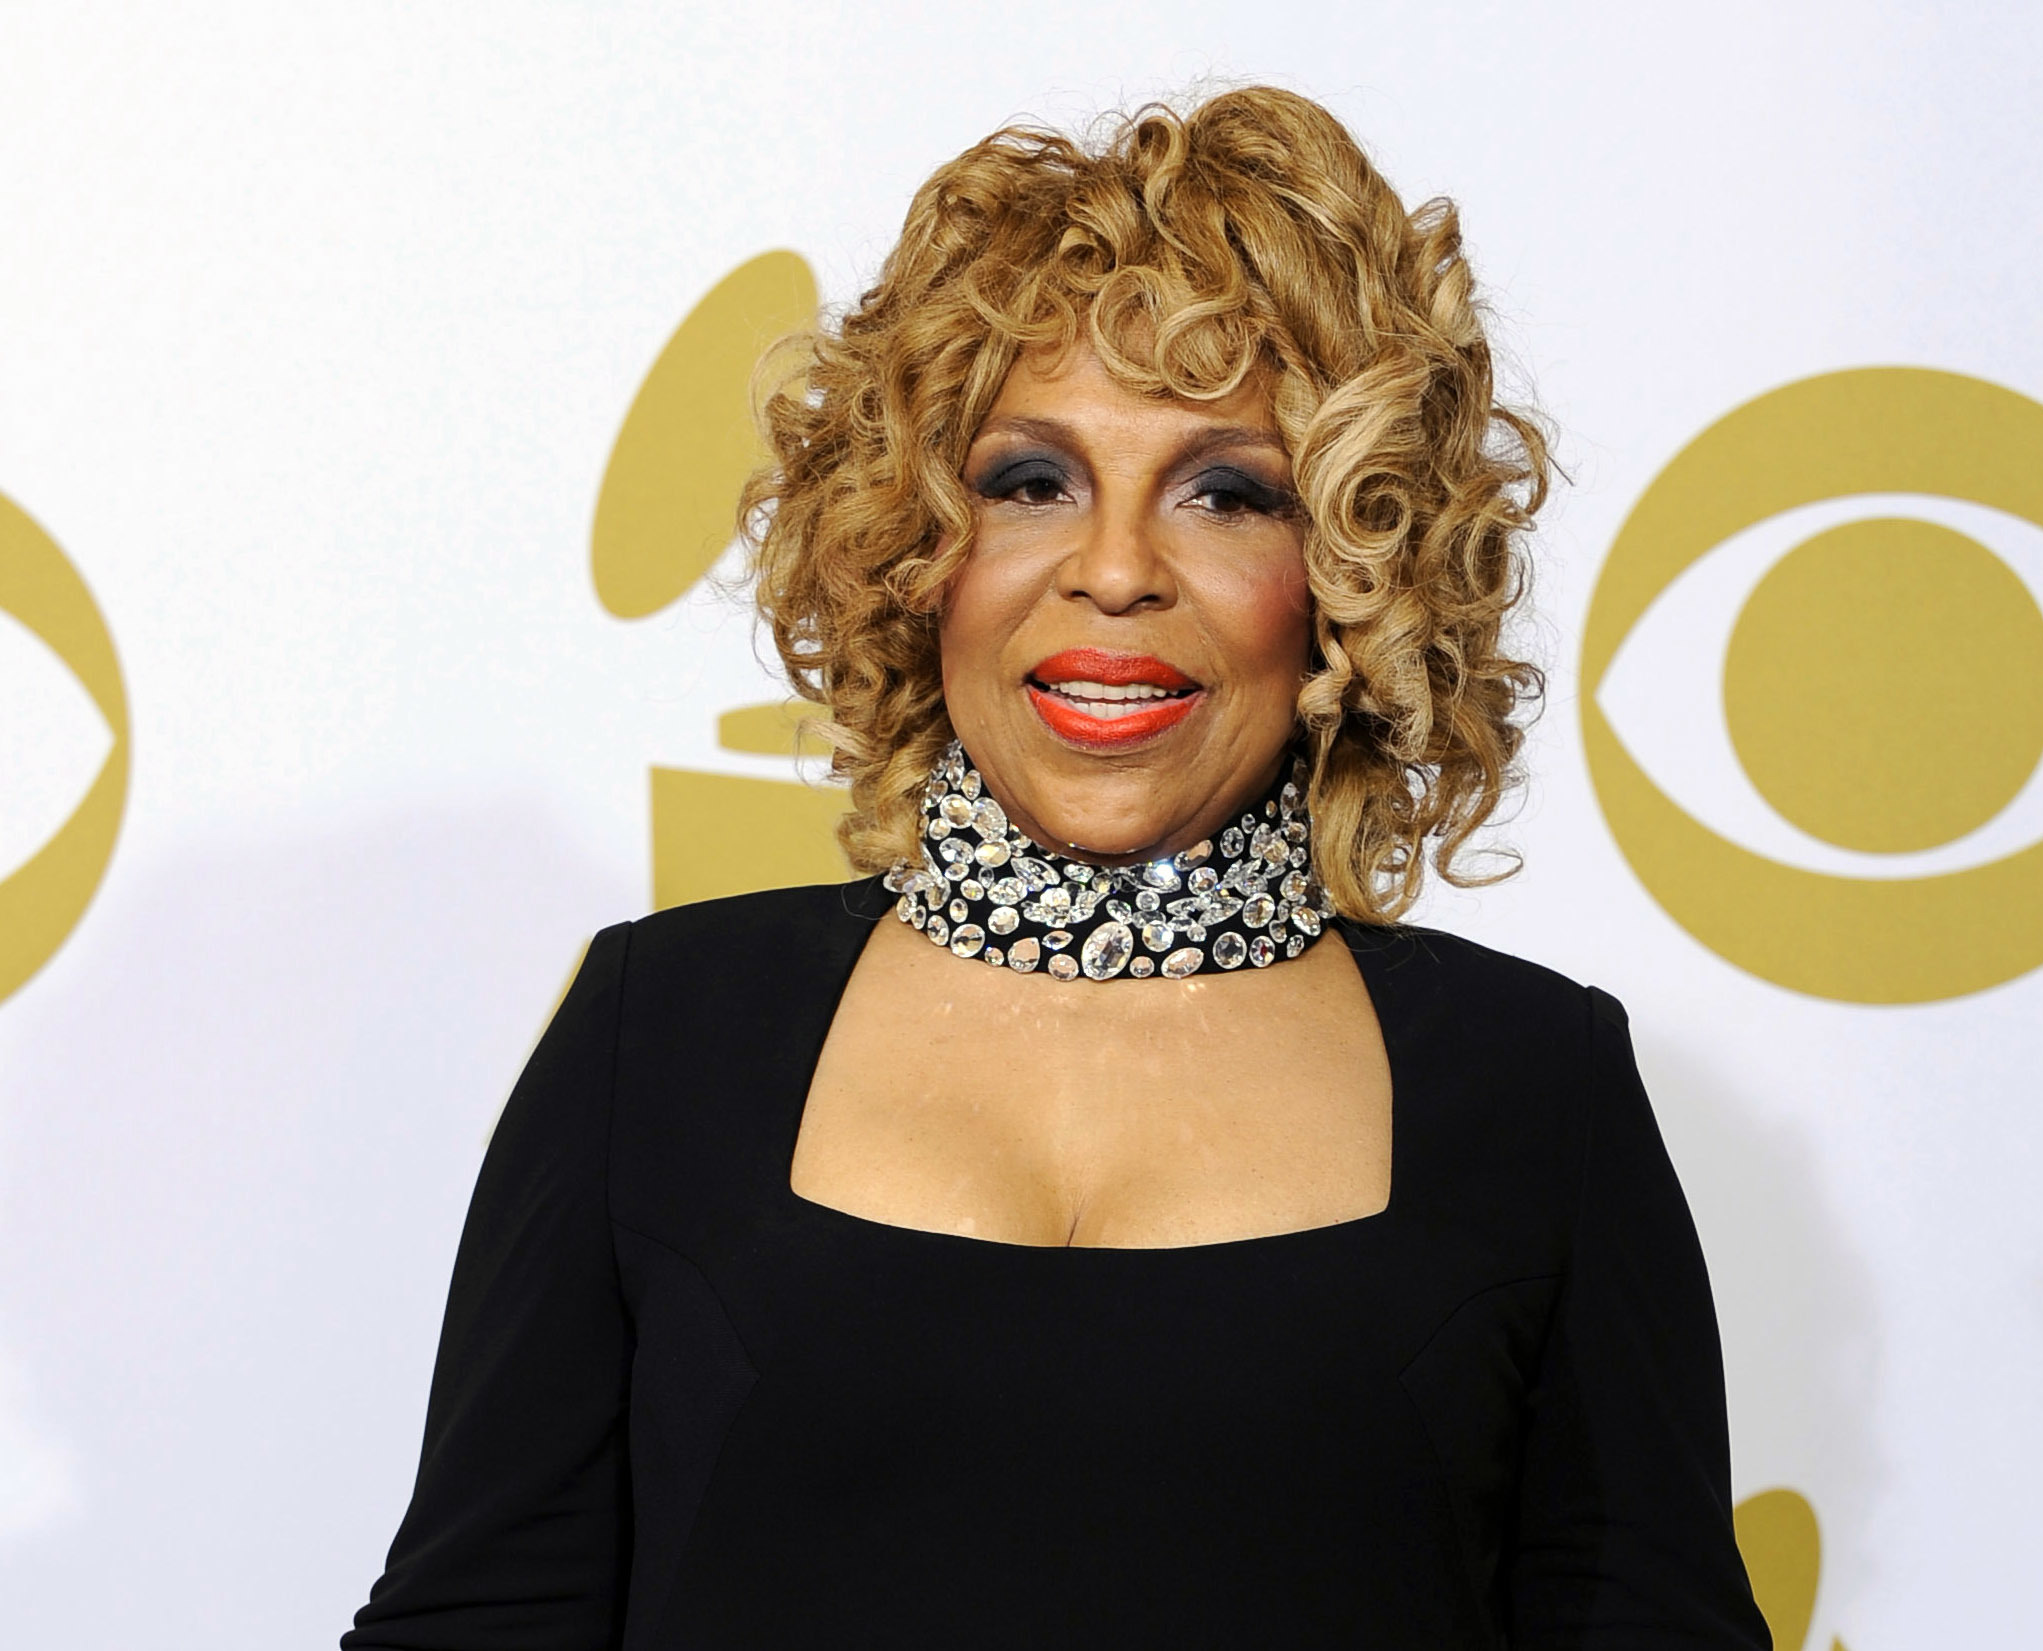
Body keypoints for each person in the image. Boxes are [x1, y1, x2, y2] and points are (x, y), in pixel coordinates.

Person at [345, 87, 1770, 1650]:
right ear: (914, 541)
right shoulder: (662, 1029)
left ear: (1352, 578)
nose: (1112, 568)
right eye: (1032, 480)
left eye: (1226, 491)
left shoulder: (1534, 1083)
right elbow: (476, 1623)